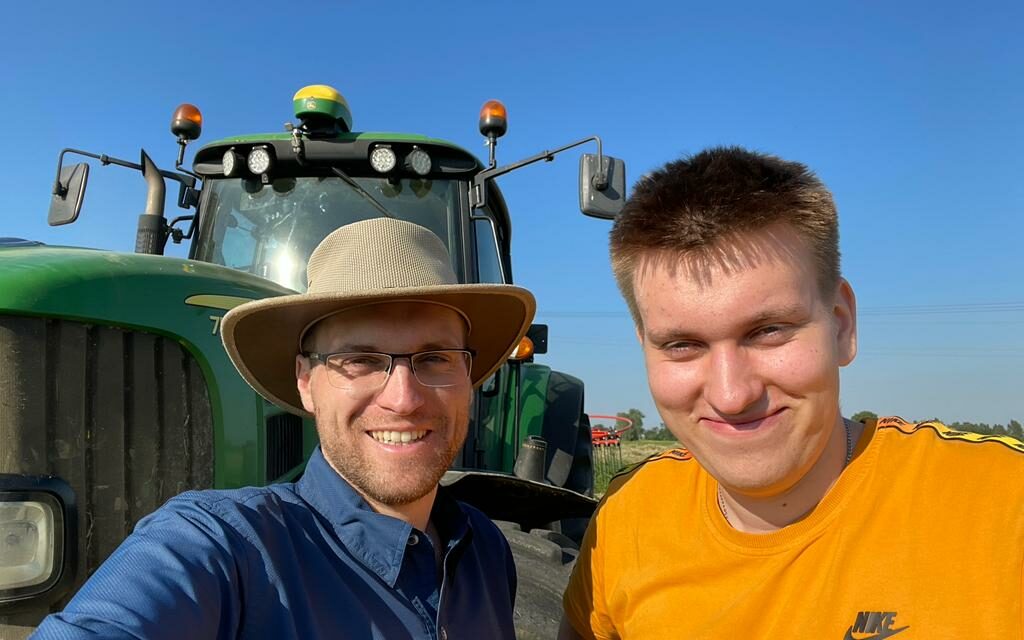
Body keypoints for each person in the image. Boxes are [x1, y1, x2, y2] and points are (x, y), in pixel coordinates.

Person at [560, 147, 1024, 639]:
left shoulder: (1001, 508)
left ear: (841, 326)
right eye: (682, 345)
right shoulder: (628, 517)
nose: (731, 394)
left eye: (768, 331)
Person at [34, 218, 534, 639]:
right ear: (306, 382)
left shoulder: (486, 552)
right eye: (360, 360)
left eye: (436, 358)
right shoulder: (223, 549)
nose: (403, 399)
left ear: (468, 376)